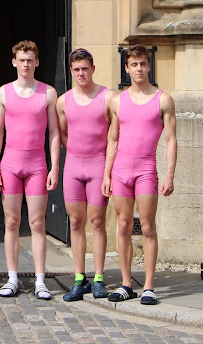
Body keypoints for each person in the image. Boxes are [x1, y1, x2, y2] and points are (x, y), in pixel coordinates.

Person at [102, 44, 177, 305]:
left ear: (149, 66)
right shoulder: (117, 101)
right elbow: (112, 140)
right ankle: (125, 284)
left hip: (146, 170)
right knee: (122, 226)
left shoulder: (163, 99)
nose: (139, 69)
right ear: (127, 67)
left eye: (143, 64)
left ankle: (148, 286)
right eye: (134, 64)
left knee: (147, 227)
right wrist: (107, 175)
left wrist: (170, 175)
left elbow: (171, 140)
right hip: (121, 170)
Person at [0, 40, 60, 300]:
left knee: (37, 223)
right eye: (22, 59)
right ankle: (12, 278)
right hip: (10, 163)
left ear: (37, 62)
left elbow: (54, 132)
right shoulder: (3, 93)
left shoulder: (48, 93)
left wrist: (54, 167)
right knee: (11, 222)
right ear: (14, 62)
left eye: (30, 60)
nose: (26, 64)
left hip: (36, 165)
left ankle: (40, 280)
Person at [55, 49, 115, 301]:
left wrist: (107, 172)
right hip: (74, 166)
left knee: (98, 222)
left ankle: (99, 278)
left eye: (85, 68)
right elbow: (63, 133)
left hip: (98, 165)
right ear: (71, 71)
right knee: (76, 223)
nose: (81, 73)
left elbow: (114, 135)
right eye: (76, 69)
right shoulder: (63, 101)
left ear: (92, 68)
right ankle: (80, 278)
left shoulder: (108, 97)